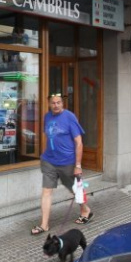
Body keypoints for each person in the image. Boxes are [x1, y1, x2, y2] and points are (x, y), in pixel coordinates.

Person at [31, 93, 93, 235]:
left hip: (67, 162)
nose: (56, 105)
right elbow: (48, 137)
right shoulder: (47, 117)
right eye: (53, 103)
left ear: (62, 103)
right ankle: (44, 225)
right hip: (49, 161)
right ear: (49, 104)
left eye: (59, 102)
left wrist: (78, 165)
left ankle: (85, 210)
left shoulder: (69, 117)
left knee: (75, 189)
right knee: (46, 191)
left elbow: (79, 142)